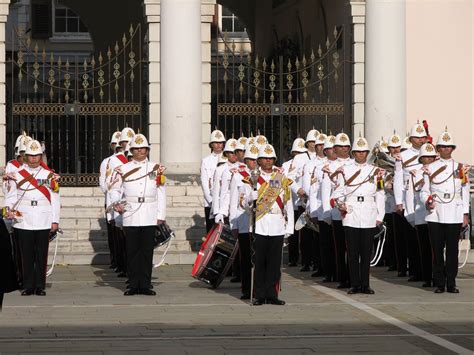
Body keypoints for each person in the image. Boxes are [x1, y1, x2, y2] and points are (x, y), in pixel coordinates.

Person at [110, 134, 166, 296]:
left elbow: (161, 192)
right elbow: (114, 189)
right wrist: (116, 203)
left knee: (147, 251)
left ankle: (146, 285)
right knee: (133, 250)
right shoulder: (122, 169)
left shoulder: (156, 168)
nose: (140, 151)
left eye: (143, 148)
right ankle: (133, 284)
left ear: (148, 150)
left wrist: (160, 214)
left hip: (149, 211)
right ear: (131, 151)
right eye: (136, 149)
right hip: (131, 212)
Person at [5, 140, 61, 296]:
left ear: (41, 156)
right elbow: (10, 196)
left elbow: (55, 199)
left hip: (43, 218)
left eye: (37, 156)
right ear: (25, 156)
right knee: (26, 254)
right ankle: (28, 285)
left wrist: (55, 220)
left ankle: (40, 286)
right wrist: (8, 211)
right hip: (23, 219)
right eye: (31, 155)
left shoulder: (50, 175)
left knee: (41, 254)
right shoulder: (16, 175)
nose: (34, 159)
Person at [332, 136, 385, 295]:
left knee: (366, 251)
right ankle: (354, 284)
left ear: (367, 153)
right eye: (358, 152)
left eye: (364, 152)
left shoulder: (376, 171)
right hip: (351, 213)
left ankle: (366, 284)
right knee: (353, 252)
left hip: (369, 213)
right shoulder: (344, 170)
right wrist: (340, 204)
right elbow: (338, 192)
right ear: (353, 153)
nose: (361, 154)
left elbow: (380, 194)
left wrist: (380, 216)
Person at [421, 130, 470, 294]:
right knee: (436, 249)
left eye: (449, 147)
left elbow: (464, 191)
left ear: (453, 149)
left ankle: (451, 282)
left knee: (452, 250)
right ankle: (439, 282)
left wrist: (465, 213)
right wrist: (427, 200)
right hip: (436, 212)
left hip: (454, 211)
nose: (446, 149)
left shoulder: (460, 168)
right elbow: (423, 190)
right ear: (438, 148)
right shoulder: (430, 168)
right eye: (443, 146)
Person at [244, 144, 294, 305]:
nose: (268, 161)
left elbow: (288, 204)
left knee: (274, 263)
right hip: (260, 222)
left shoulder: (280, 179)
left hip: (277, 224)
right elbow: (243, 204)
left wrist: (289, 228)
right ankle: (259, 295)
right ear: (258, 160)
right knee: (259, 262)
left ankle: (272, 294)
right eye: (265, 158)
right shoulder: (252, 179)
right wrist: (252, 196)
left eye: (271, 158)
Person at [394, 123, 427, 282]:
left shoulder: (431, 153)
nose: (420, 140)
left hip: (426, 200)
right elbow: (398, 179)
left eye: (422, 137)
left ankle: (428, 270)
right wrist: (399, 201)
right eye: (417, 137)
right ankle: (415, 270)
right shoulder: (403, 156)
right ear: (411, 139)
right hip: (409, 199)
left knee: (427, 238)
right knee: (412, 238)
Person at [321, 132, 353, 289]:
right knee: (339, 248)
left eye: (346, 146)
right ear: (334, 148)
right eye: (340, 146)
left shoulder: (355, 164)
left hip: (354, 212)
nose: (344, 149)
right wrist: (327, 213)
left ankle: (354, 276)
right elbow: (326, 191)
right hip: (337, 213)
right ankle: (342, 277)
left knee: (353, 248)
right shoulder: (329, 167)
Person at [228, 144, 259, 299]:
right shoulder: (238, 175)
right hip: (244, 221)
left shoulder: (266, 175)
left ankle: (260, 288)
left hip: (261, 223)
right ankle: (247, 289)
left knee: (260, 258)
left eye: (256, 159)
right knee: (246, 258)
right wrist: (233, 224)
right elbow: (234, 200)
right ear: (245, 160)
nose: (254, 163)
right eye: (251, 160)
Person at [309, 135, 337, 282]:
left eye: (335, 148)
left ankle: (340, 272)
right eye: (330, 149)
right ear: (325, 151)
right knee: (326, 244)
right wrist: (313, 210)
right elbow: (313, 190)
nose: (333, 151)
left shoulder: (345, 165)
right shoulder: (319, 168)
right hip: (323, 211)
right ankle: (328, 272)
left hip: (340, 211)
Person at [412, 142, 437, 287]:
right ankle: (427, 277)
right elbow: (411, 194)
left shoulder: (441, 170)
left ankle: (439, 274)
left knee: (437, 248)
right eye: (425, 157)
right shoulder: (415, 173)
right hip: (421, 214)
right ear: (420, 159)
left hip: (437, 214)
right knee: (425, 248)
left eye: (431, 157)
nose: (428, 159)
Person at [281, 137, 307, 266]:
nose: (299, 155)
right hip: (291, 201)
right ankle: (293, 258)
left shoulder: (309, 161)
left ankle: (306, 258)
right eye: (297, 153)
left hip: (303, 202)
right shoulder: (286, 166)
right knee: (293, 232)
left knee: (305, 233)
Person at [99, 130, 121, 270]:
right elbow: (103, 182)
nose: (117, 146)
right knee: (114, 234)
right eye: (115, 143)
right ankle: (116, 260)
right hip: (112, 198)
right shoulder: (107, 162)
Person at [201, 130, 226, 232]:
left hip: (224, 201)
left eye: (220, 142)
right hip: (210, 202)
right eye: (216, 142)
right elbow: (204, 182)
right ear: (211, 144)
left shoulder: (228, 159)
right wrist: (212, 201)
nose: (218, 145)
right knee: (212, 231)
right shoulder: (206, 161)